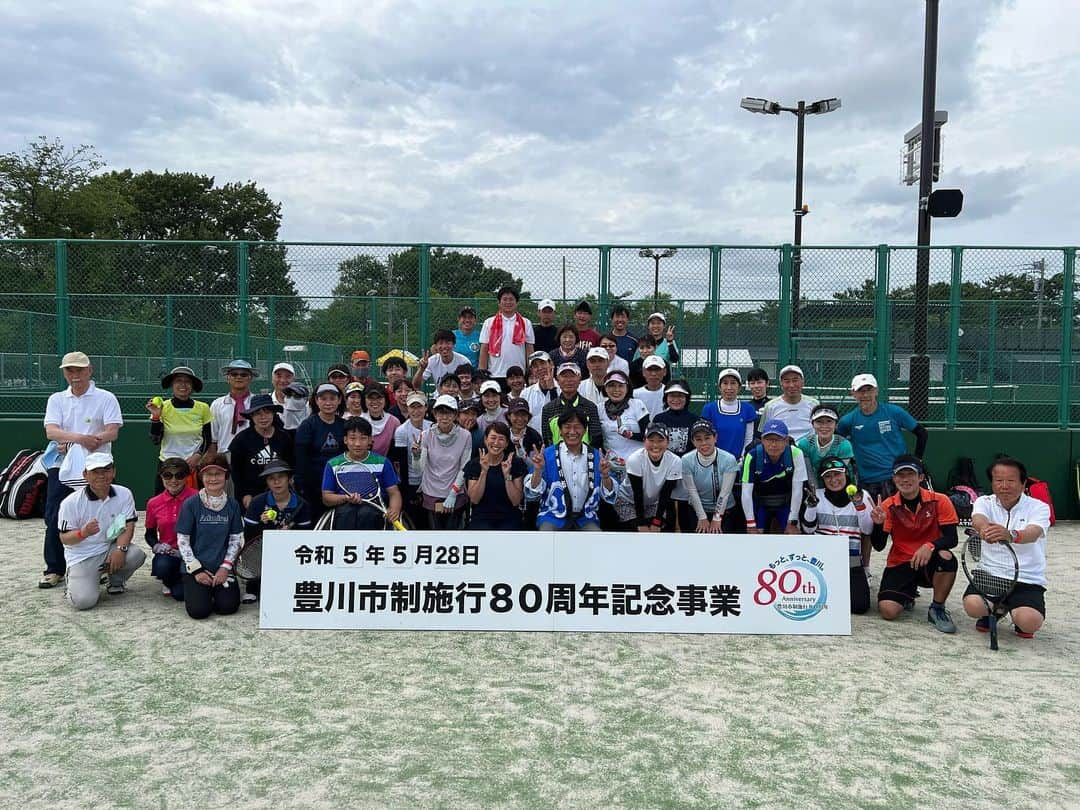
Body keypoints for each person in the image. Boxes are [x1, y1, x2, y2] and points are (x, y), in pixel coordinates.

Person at [40, 351, 124, 589]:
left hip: (98, 465)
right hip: (62, 466)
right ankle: (54, 569)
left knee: (104, 514)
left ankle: (105, 566)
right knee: (56, 515)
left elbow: (112, 432)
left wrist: (89, 441)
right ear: (65, 373)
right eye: (69, 370)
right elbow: (51, 432)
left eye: (79, 370)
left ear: (90, 370)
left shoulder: (106, 397)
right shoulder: (57, 399)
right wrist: (80, 439)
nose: (74, 375)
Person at [837, 372, 928, 575]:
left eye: (868, 390)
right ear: (853, 394)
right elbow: (836, 442)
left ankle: (909, 571)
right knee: (867, 528)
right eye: (860, 391)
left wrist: (917, 462)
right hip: (867, 482)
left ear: (876, 391)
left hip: (896, 480)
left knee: (904, 527)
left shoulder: (894, 412)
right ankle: (866, 569)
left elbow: (922, 433)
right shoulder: (848, 420)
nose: (865, 395)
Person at [868, 454, 959, 633]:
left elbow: (952, 539)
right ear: (894, 479)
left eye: (911, 474)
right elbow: (878, 546)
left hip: (928, 560)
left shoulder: (940, 500)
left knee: (947, 556)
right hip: (900, 561)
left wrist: (930, 546)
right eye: (900, 475)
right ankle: (907, 595)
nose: (905, 479)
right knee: (888, 611)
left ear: (921, 477)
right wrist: (877, 525)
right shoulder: (888, 505)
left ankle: (937, 608)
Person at [964, 457, 1051, 639]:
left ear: (1023, 483)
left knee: (1029, 622)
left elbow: (1033, 532)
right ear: (992, 483)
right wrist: (984, 529)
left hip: (1027, 578)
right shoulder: (984, 501)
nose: (1004, 486)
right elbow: (978, 519)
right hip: (990, 573)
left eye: (1011, 481)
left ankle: (1013, 611)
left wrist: (1011, 535)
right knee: (972, 606)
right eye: (999, 480)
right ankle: (995, 610)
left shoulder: (1039, 507)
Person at [56, 452, 143, 609]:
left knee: (136, 555)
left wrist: (121, 550)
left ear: (114, 472)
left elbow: (128, 525)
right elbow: (64, 538)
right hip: (82, 556)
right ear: (85, 475)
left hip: (108, 549)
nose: (101, 476)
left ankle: (115, 582)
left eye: (106, 470)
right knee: (83, 602)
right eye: (95, 472)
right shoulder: (71, 503)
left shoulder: (124, 493)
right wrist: (83, 533)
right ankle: (75, 583)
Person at [800, 457, 874, 614]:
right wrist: (812, 506)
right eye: (828, 476)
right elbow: (807, 530)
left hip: (851, 560)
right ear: (823, 479)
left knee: (860, 606)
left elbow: (867, 530)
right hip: (821, 561)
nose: (834, 480)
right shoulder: (816, 495)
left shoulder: (862, 495)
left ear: (846, 474)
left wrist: (859, 505)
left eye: (837, 474)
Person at [175, 454, 245, 620]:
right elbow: (182, 540)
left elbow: (236, 539)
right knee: (199, 611)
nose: (213, 479)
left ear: (226, 476)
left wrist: (225, 568)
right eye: (208, 474)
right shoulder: (191, 504)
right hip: (197, 569)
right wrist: (197, 570)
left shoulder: (233, 505)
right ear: (201, 477)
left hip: (222, 569)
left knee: (228, 607)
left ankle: (217, 591)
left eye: (218, 474)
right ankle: (200, 591)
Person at [526, 409, 616, 531]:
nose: (572, 432)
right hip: (552, 516)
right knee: (546, 535)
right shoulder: (547, 455)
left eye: (577, 427)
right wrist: (537, 470)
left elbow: (610, 496)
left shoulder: (596, 457)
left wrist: (605, 476)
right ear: (560, 431)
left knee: (596, 537)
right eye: (567, 427)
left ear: (585, 430)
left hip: (585, 517)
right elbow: (532, 494)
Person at [241, 460, 313, 603]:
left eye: (281, 477)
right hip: (262, 547)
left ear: (290, 479)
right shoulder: (257, 503)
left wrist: (290, 533)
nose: (276, 482)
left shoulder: (302, 504)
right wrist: (263, 525)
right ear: (267, 482)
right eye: (271, 478)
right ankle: (252, 587)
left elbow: (307, 536)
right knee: (252, 552)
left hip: (291, 549)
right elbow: (248, 536)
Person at [322, 417, 403, 530]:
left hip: (375, 510)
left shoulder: (383, 462)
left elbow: (394, 493)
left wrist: (394, 509)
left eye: (363, 438)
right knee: (347, 513)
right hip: (344, 510)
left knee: (367, 514)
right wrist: (346, 498)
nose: (358, 444)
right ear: (345, 440)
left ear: (370, 440)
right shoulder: (332, 464)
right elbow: (326, 498)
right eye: (352, 438)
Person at [147, 365, 211, 493]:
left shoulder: (203, 407)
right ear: (172, 384)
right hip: (167, 466)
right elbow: (155, 440)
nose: (183, 385)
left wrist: (197, 457)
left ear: (192, 386)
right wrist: (156, 416)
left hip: (193, 466)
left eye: (187, 381)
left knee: (195, 506)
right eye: (178, 381)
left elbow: (207, 437)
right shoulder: (162, 407)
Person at [414, 394, 473, 529]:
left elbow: (464, 468)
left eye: (449, 413)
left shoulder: (465, 435)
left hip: (455, 493)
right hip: (431, 492)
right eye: (440, 412)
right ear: (434, 414)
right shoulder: (426, 435)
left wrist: (453, 493)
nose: (444, 417)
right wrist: (416, 456)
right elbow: (419, 469)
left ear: (455, 415)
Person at [740, 420, 807, 534]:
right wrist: (751, 524)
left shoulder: (796, 454)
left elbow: (797, 490)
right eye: (768, 439)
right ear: (762, 440)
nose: (773, 444)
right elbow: (746, 492)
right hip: (760, 504)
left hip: (786, 503)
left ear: (786, 440)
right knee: (755, 536)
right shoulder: (752, 455)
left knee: (793, 535)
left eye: (778, 439)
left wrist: (792, 521)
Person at [144, 457, 197, 600]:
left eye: (179, 475)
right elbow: (149, 533)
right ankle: (170, 580)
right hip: (169, 554)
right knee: (162, 567)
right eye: (168, 475)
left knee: (182, 595)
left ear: (187, 477)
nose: (173, 480)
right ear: (161, 477)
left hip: (194, 553)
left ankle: (183, 580)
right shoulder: (153, 503)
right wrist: (156, 546)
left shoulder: (198, 498)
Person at [229, 393, 295, 508]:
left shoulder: (284, 438)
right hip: (251, 496)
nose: (263, 417)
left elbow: (292, 466)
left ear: (273, 414)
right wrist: (244, 494)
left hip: (280, 494)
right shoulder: (241, 440)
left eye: (267, 412)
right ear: (251, 416)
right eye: (258, 414)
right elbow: (236, 473)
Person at [613, 423, 682, 532]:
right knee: (636, 531)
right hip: (628, 501)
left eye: (660, 440)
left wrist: (657, 522)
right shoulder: (635, 459)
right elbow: (638, 493)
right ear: (644, 441)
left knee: (657, 529)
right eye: (651, 440)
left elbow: (666, 494)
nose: (655, 445)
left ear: (668, 442)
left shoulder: (675, 461)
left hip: (654, 503)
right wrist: (641, 523)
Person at [294, 383, 346, 521]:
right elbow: (300, 458)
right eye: (323, 398)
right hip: (313, 486)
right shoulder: (307, 426)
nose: (328, 402)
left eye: (332, 398)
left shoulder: (344, 425)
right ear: (316, 401)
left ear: (339, 400)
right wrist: (301, 486)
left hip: (339, 485)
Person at [678, 420, 740, 534]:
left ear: (715, 438)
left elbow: (725, 492)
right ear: (693, 441)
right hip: (697, 510)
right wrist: (702, 517)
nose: (703, 443)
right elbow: (691, 491)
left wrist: (717, 518)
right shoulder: (686, 460)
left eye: (707, 438)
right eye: (698, 439)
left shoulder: (729, 459)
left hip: (725, 510)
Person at [463, 422, 528, 529]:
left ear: (507, 443)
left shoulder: (515, 463)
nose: (496, 443)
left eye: (501, 439)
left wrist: (507, 475)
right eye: (493, 438)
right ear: (485, 439)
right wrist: (483, 472)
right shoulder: (475, 464)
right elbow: (474, 499)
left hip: (510, 518)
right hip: (481, 518)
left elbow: (516, 501)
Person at [391, 392, 432, 528]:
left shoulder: (432, 427)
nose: (416, 411)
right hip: (412, 482)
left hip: (431, 481)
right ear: (407, 409)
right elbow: (401, 462)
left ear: (426, 408)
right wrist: (407, 490)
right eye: (412, 407)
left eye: (419, 407)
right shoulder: (401, 431)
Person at [540, 362, 604, 449]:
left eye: (572, 376)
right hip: (556, 458)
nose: (568, 380)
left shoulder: (590, 407)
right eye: (564, 376)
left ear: (579, 379)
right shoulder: (548, 409)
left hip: (584, 458)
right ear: (558, 380)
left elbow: (596, 439)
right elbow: (547, 439)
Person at [479, 286, 535, 381]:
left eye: (511, 299)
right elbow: (484, 348)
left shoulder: (526, 323)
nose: (508, 302)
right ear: (499, 303)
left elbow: (529, 349)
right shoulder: (489, 322)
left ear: (516, 303)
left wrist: (530, 372)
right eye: (504, 299)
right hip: (495, 373)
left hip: (519, 374)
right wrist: (482, 372)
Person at [700, 368, 756, 460]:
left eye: (733, 383)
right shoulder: (709, 409)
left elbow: (748, 439)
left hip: (739, 461)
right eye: (725, 383)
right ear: (719, 387)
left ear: (739, 387)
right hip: (714, 461)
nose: (729, 387)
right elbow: (705, 439)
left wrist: (742, 458)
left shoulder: (748, 409)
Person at [797, 404, 855, 488]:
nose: (824, 426)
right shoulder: (805, 444)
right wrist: (816, 493)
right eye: (819, 421)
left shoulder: (844, 445)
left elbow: (838, 476)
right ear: (812, 424)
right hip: (815, 486)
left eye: (829, 421)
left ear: (836, 424)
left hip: (840, 486)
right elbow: (809, 473)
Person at [207, 359, 257, 457]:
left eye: (243, 375)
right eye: (234, 374)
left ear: (250, 378)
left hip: (252, 454)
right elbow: (213, 437)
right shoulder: (217, 404)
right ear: (228, 378)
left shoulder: (257, 403)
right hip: (225, 454)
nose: (239, 377)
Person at [760, 364, 818, 441]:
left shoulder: (814, 404)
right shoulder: (770, 406)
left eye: (795, 380)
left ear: (802, 382)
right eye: (787, 381)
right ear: (781, 384)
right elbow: (763, 433)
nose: (791, 385)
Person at [653, 379, 697, 456]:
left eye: (680, 395)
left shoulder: (695, 420)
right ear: (666, 398)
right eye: (672, 395)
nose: (676, 399)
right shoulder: (659, 419)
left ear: (686, 398)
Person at [520, 351, 560, 434]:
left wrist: (552, 388)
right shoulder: (525, 393)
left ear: (551, 364)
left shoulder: (563, 389)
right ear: (532, 370)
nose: (540, 368)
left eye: (542, 363)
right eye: (535, 366)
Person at [270, 362, 310, 431]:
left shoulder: (305, 403)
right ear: (272, 379)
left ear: (293, 379)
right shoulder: (266, 401)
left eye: (288, 376)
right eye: (278, 376)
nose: (282, 380)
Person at [362, 384, 400, 457]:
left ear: (385, 400)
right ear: (364, 400)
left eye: (379, 398)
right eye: (371, 398)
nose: (375, 401)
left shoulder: (394, 422)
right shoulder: (359, 420)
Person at [746, 367, 771, 438]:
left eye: (759, 382)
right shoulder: (746, 407)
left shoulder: (772, 406)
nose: (756, 386)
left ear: (767, 383)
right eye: (752, 383)